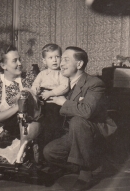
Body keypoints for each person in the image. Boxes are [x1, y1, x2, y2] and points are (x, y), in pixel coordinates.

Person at [43, 46, 107, 190]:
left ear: (79, 64)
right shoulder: (64, 84)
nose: (61, 63)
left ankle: (86, 174)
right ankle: (92, 166)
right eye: (61, 59)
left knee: (79, 121)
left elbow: (87, 111)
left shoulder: (94, 83)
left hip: (93, 133)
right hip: (73, 133)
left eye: (66, 59)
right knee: (50, 152)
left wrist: (63, 102)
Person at [0, 45, 38, 177]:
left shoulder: (28, 78)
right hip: (2, 132)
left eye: (20, 59)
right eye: (15, 61)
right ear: (3, 65)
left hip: (27, 128)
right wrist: (18, 107)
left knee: (28, 159)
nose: (20, 63)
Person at [31, 43, 69, 147]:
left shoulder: (62, 73)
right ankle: (38, 145)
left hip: (54, 100)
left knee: (52, 125)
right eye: (50, 57)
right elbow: (35, 84)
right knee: (37, 122)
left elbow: (65, 86)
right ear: (44, 61)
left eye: (57, 57)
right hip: (41, 99)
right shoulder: (42, 74)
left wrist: (51, 93)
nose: (54, 60)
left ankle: (50, 146)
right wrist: (35, 90)